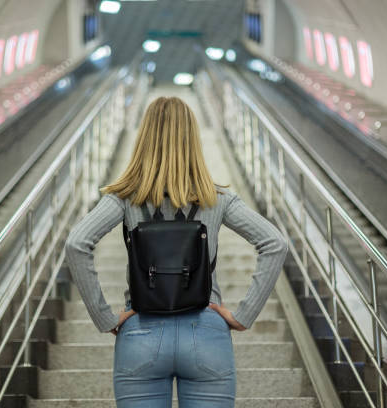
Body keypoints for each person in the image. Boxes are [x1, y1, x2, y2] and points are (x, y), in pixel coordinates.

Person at [64, 95, 288, 407]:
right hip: (206, 329)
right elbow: (275, 243)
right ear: (193, 140)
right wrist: (243, 316)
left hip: (141, 331)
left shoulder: (123, 197)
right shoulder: (218, 198)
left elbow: (77, 243)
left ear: (143, 139)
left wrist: (105, 318)